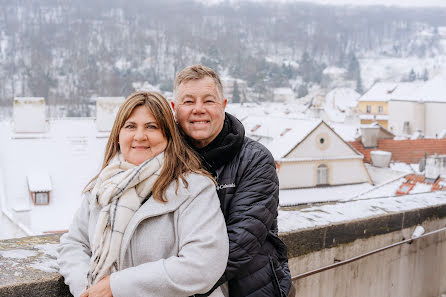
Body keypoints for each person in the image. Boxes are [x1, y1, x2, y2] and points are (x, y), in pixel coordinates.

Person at [57, 91, 229, 297]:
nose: (140, 136)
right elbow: (74, 244)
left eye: (152, 127)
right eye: (130, 126)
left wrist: (117, 287)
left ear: (169, 136)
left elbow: (203, 264)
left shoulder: (193, 188)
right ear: (118, 135)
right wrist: (88, 291)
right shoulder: (104, 186)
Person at [171, 65, 294, 297]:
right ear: (174, 108)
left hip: (251, 288)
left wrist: (176, 284)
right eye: (188, 102)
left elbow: (241, 241)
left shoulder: (255, 159)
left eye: (208, 101)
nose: (198, 109)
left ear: (223, 105)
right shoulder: (167, 159)